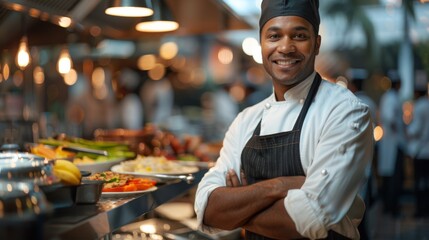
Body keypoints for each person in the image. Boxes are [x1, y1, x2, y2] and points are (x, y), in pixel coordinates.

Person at [194, 1, 374, 239]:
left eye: (299, 35)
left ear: (316, 44)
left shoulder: (345, 112)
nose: (286, 47)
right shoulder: (246, 120)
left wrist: (239, 206)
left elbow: (309, 218)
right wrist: (278, 186)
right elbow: (206, 208)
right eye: (274, 36)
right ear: (261, 45)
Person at [377, 70, 406, 217]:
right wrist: (397, 128)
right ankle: (391, 207)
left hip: (393, 142)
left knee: (392, 176)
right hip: (392, 143)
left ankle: (390, 206)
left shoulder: (391, 97)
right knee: (394, 177)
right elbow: (390, 117)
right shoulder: (391, 98)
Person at [406, 83, 429, 218]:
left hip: (420, 151)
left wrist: (407, 130)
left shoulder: (419, 107)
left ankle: (421, 209)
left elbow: (416, 129)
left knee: (419, 182)